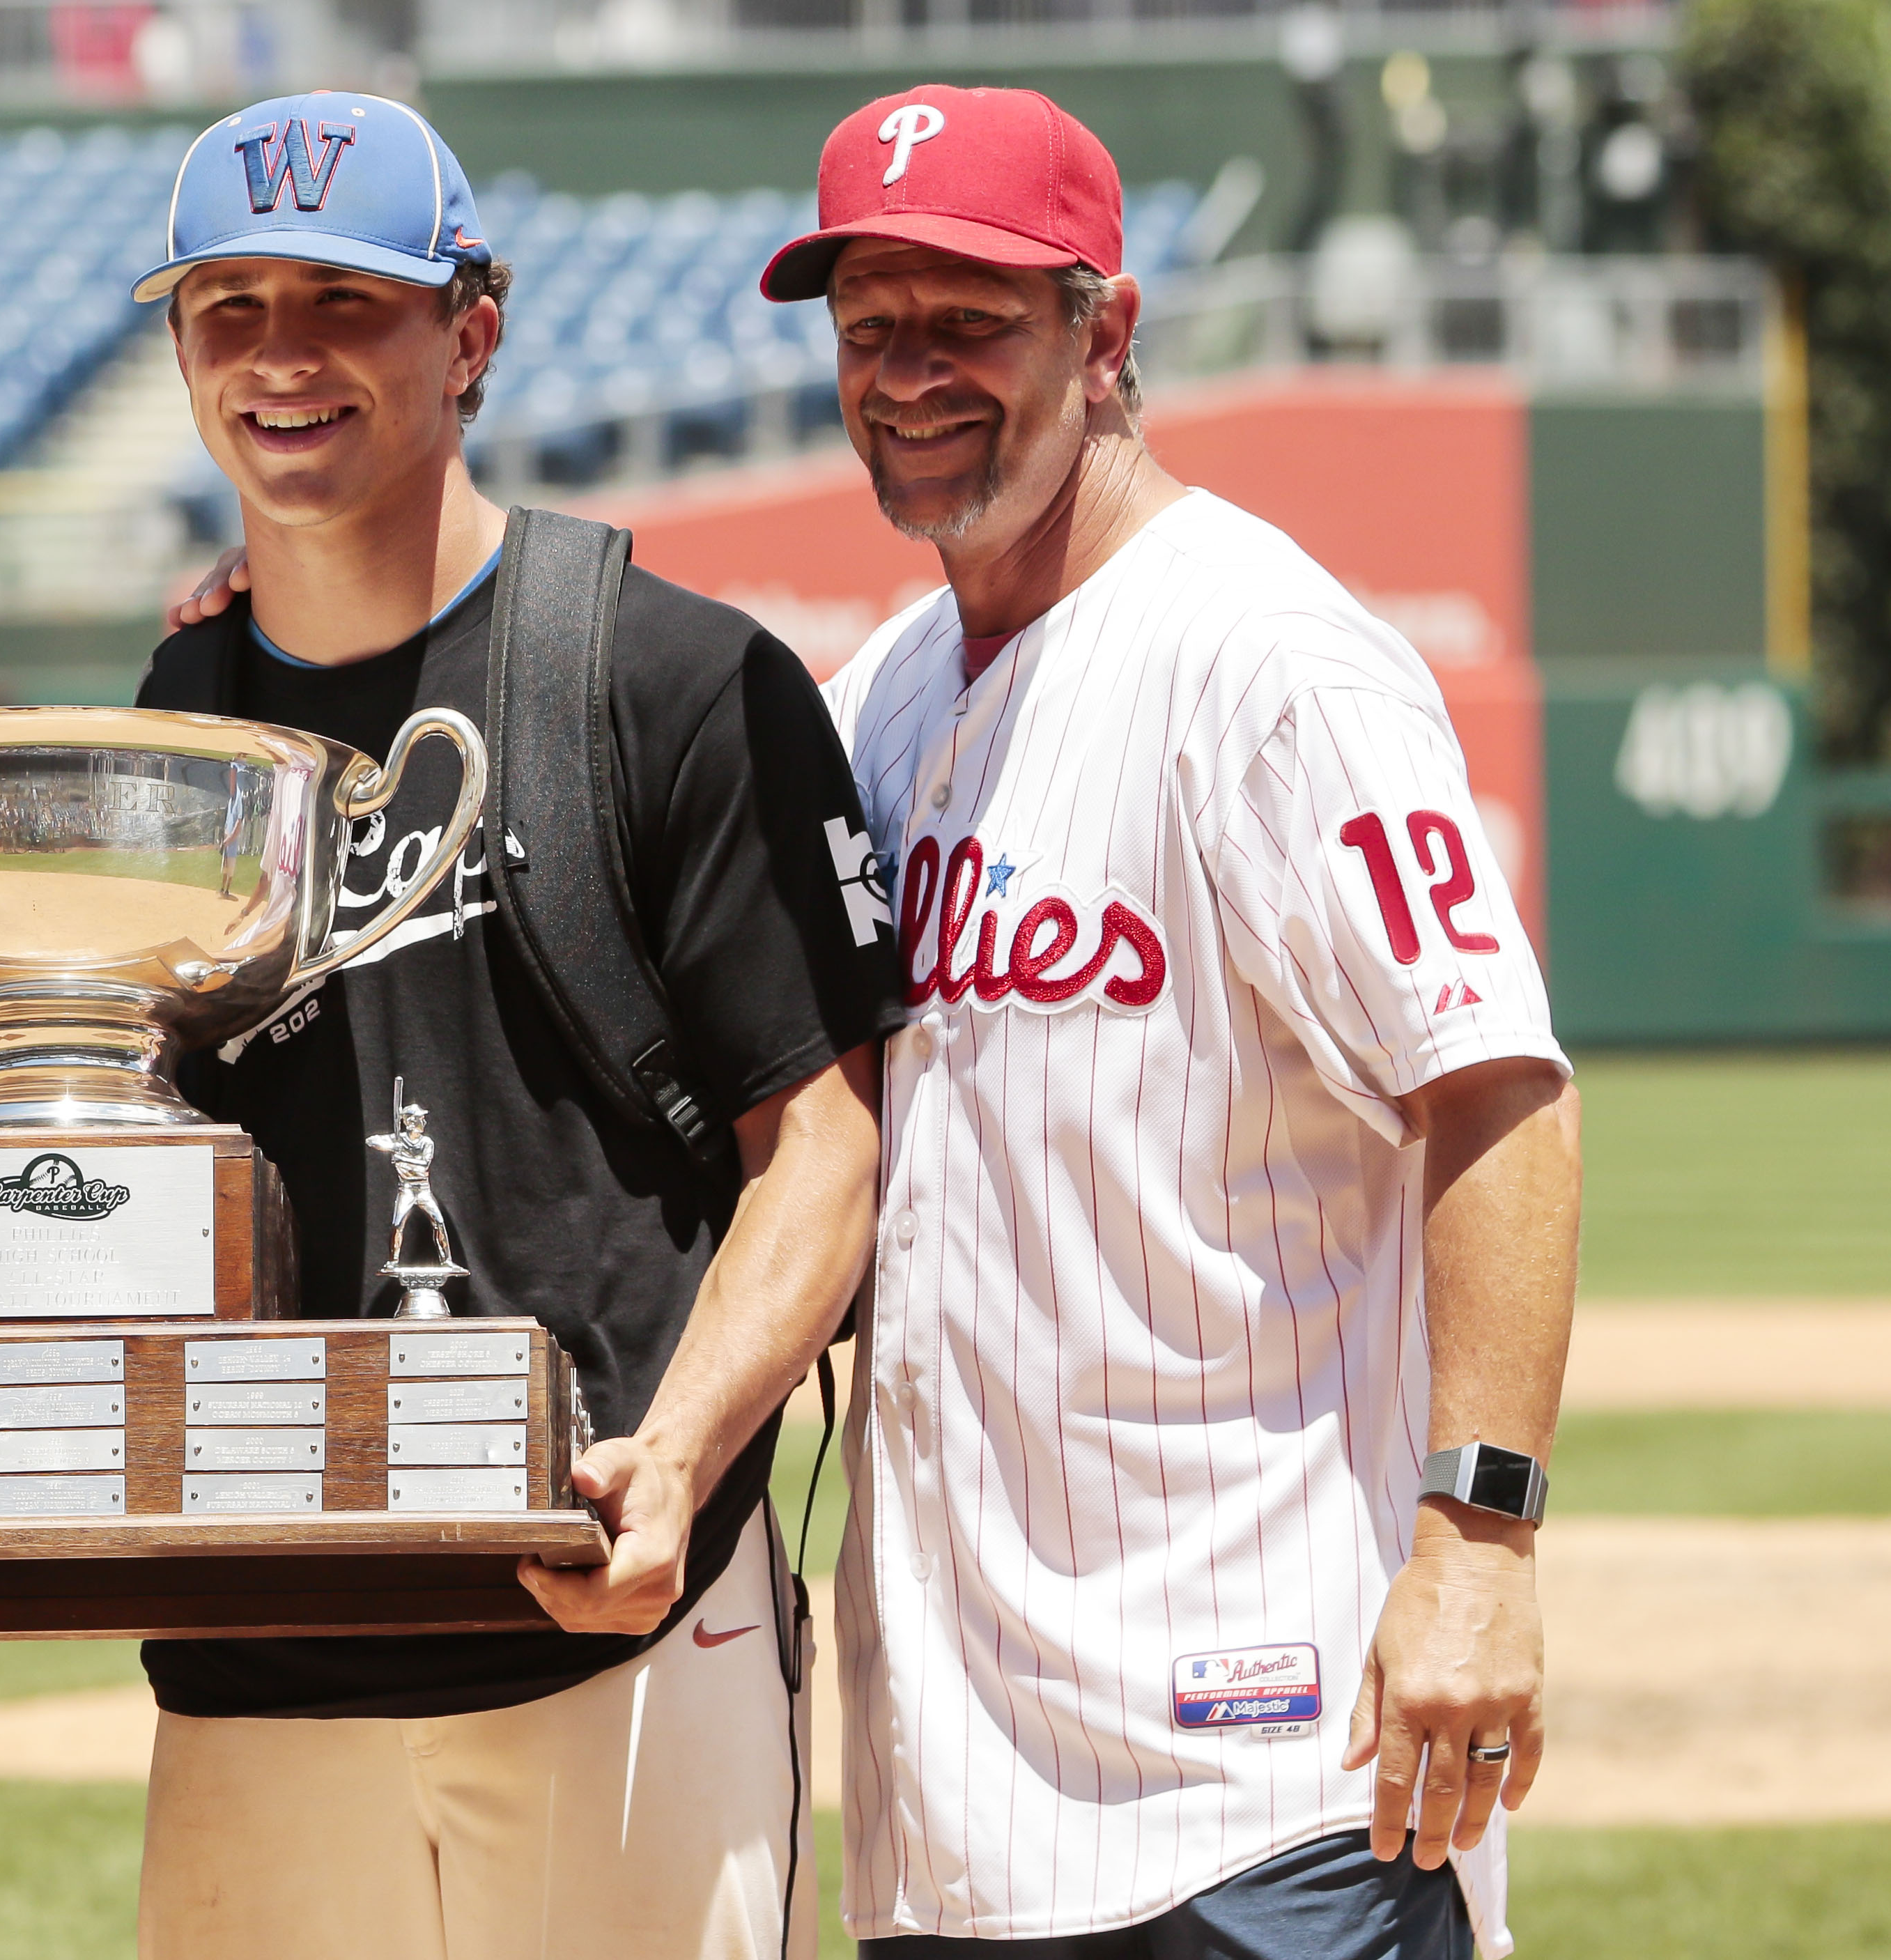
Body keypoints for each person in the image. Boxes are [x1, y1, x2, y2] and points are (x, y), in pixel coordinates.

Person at [773, 86, 1582, 1959]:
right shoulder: (878, 696)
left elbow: (1498, 1095)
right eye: (868, 323)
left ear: (1103, 332)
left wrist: (1476, 1543)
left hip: (1268, 1768)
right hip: (963, 1791)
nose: (908, 371)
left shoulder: (1267, 662)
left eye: (965, 318)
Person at [125, 92, 899, 1960]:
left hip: (609, 1615)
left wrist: (690, 1450)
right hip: (256, 1645)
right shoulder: (175, 707)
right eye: (226, 306)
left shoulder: (678, 675)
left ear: (470, 329)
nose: (280, 356)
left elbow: (825, 1140)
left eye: (344, 300)